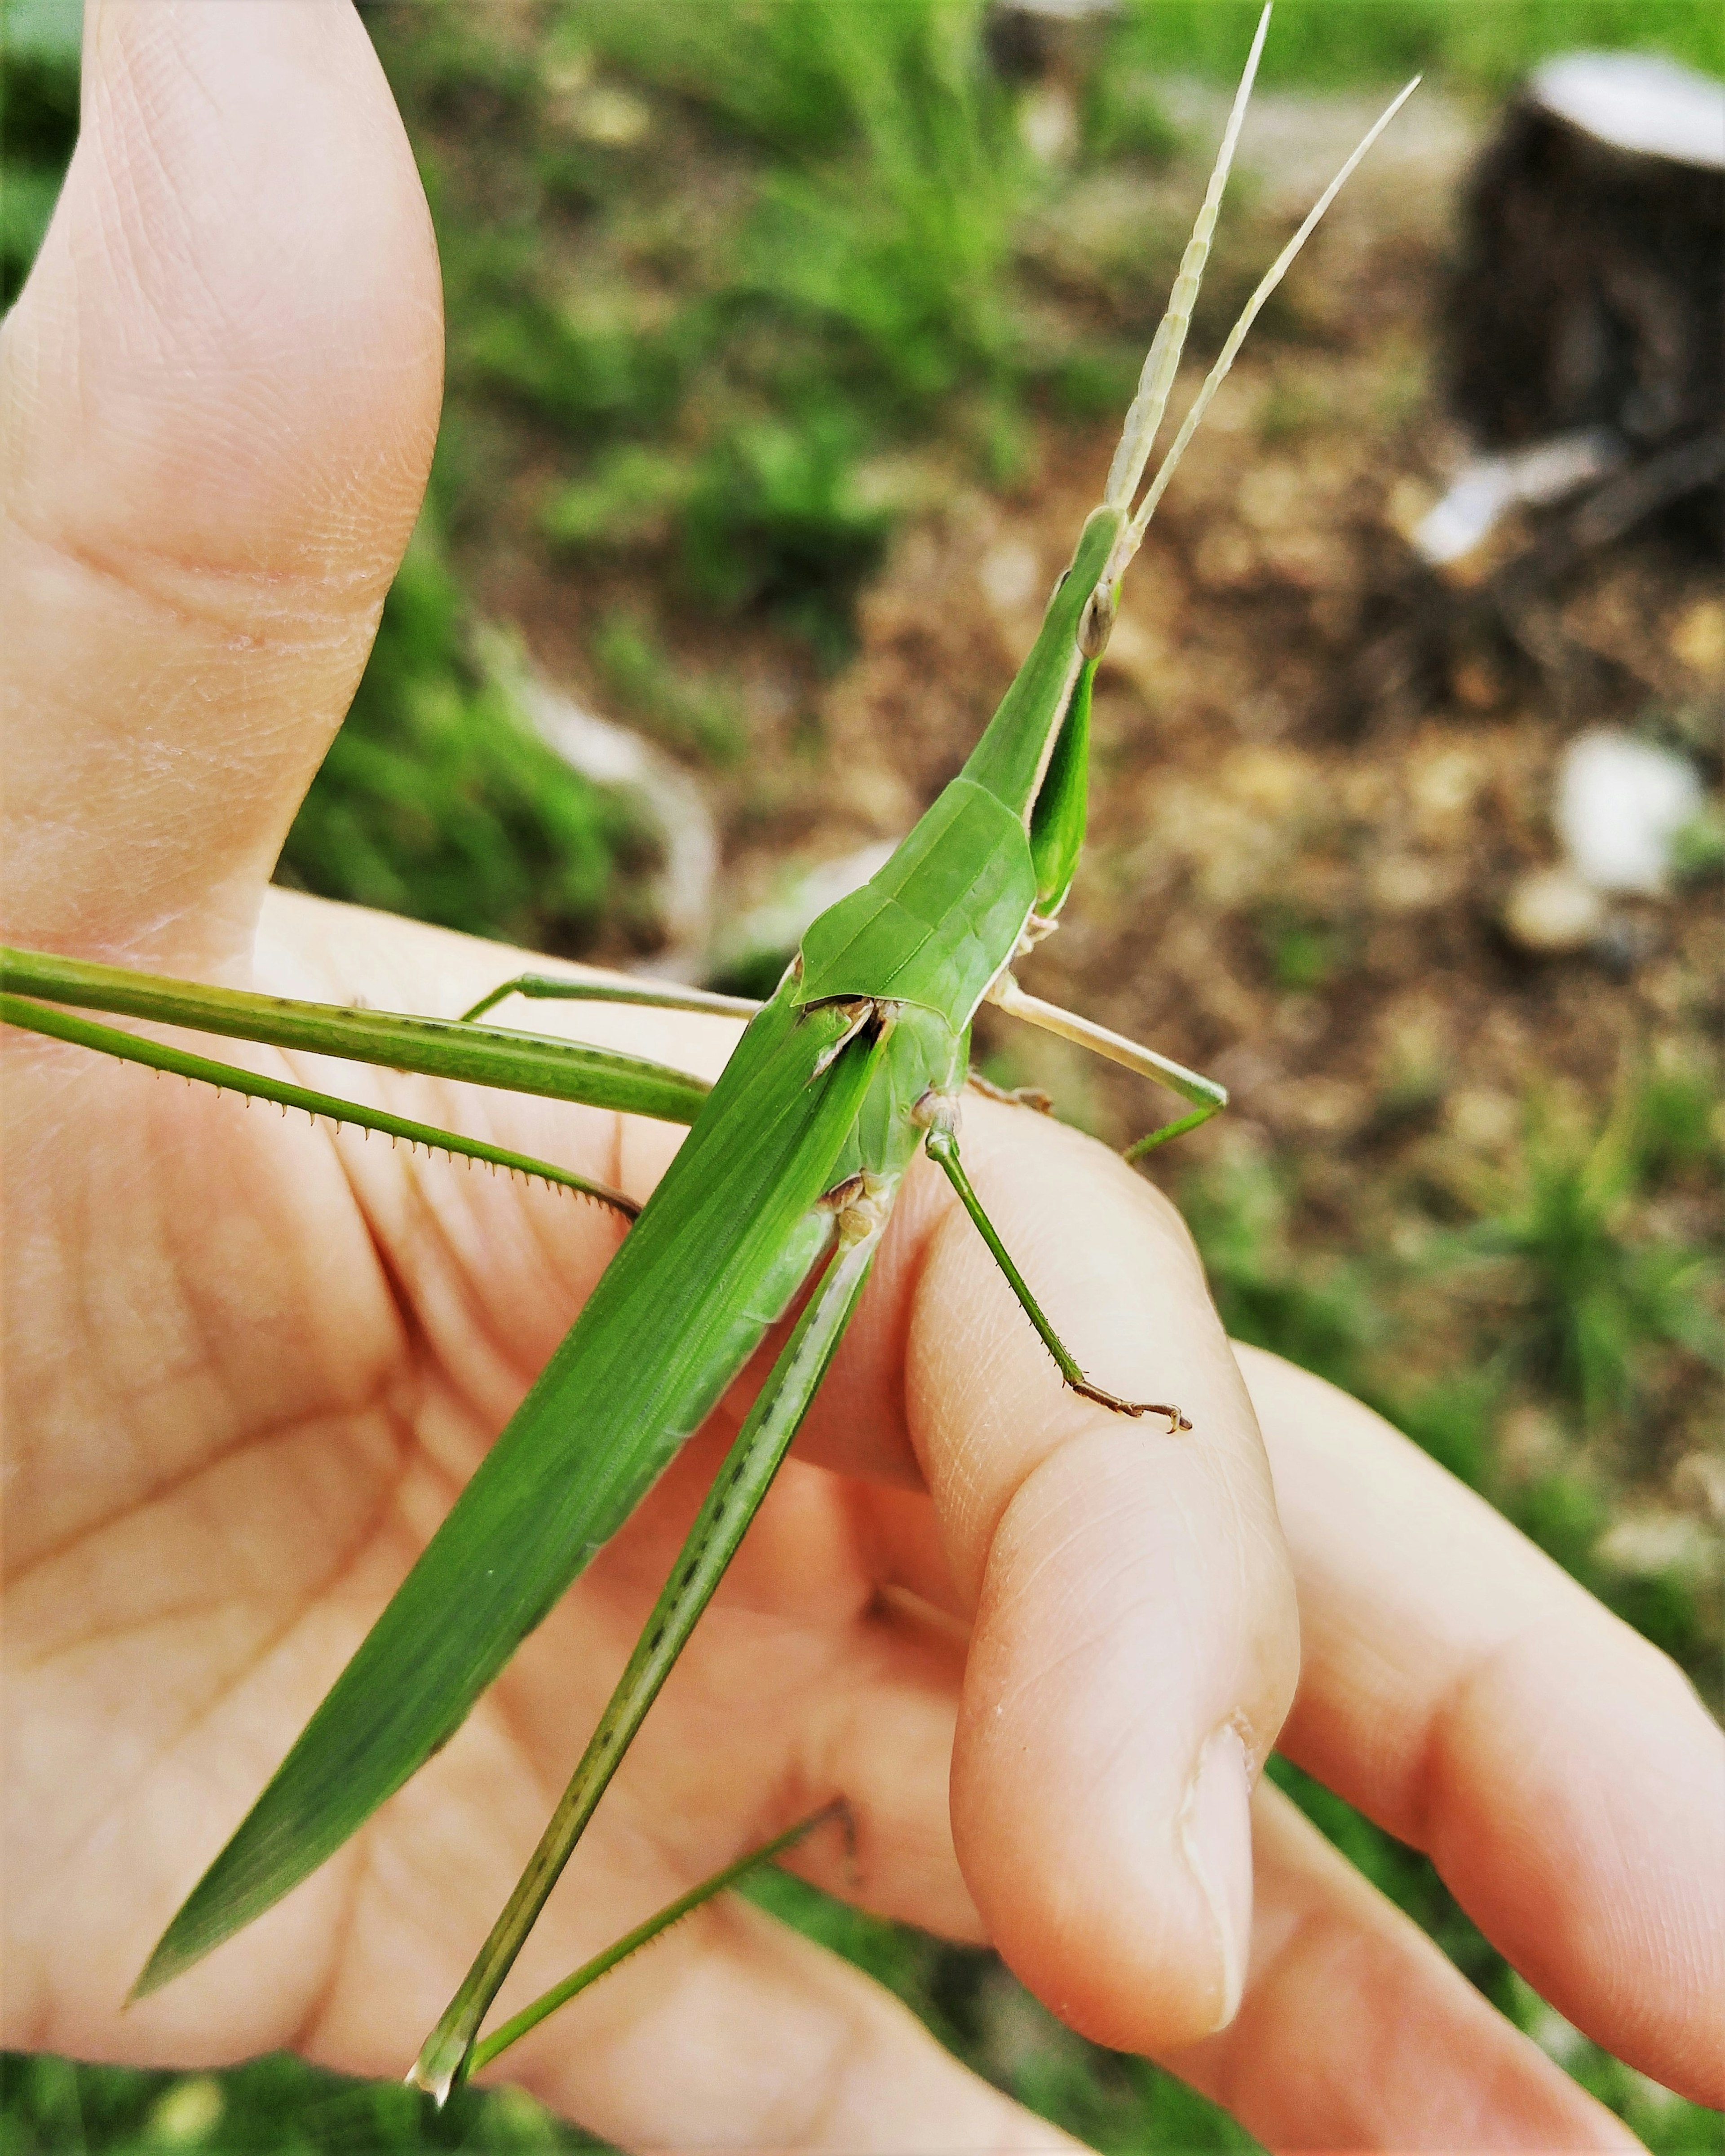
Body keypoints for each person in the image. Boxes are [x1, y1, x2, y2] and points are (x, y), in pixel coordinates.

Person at [3, 7, 1719, 2149]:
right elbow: (1119, 1120)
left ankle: (462, 2000)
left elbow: (1084, 1030)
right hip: (773, 1192)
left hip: (795, 1111)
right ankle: (458, 2029)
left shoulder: (960, 879)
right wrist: (1077, 1366)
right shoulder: (958, 945)